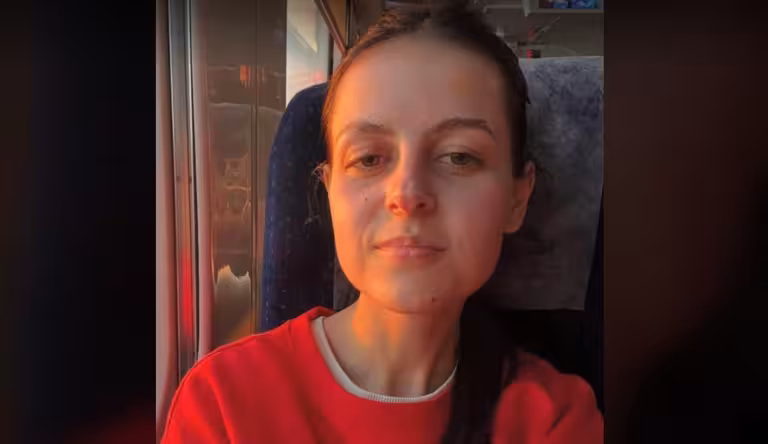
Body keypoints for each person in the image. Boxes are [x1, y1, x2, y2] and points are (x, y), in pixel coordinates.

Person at [162, 4, 603, 443]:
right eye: (369, 158)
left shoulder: (554, 419)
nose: (406, 195)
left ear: (517, 199)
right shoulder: (222, 403)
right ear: (330, 191)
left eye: (459, 156)